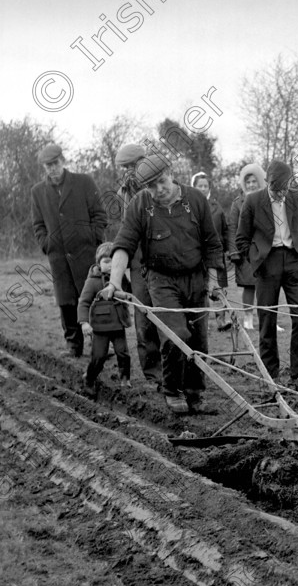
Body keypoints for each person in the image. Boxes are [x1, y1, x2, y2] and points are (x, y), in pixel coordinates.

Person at [99, 155, 224, 415]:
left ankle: (194, 392)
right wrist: (113, 283)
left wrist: (213, 282)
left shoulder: (196, 200)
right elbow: (124, 245)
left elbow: (212, 244)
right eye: (151, 186)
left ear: (171, 173)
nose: (158, 190)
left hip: (195, 277)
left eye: (162, 182)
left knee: (199, 340)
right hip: (160, 279)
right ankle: (172, 390)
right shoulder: (140, 204)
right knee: (176, 335)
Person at [235, 160, 298, 393]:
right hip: (267, 263)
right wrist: (256, 258)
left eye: (284, 189)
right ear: (268, 183)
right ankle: (270, 377)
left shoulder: (297, 198)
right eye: (276, 189)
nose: (281, 194)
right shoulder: (253, 201)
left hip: (293, 263)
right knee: (267, 321)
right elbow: (241, 239)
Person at [31, 143, 107, 357]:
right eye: (48, 165)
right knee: (66, 302)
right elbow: (38, 225)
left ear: (63, 161)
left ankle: (99, 347)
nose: (52, 168)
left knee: (93, 297)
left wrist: (93, 239)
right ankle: (73, 346)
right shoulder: (37, 192)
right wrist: (47, 244)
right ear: (44, 167)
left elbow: (100, 216)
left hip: (86, 254)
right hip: (59, 257)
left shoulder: (83, 182)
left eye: (55, 163)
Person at [115, 143, 162, 387]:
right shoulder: (125, 191)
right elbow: (126, 227)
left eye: (132, 166)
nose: (128, 172)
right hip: (138, 259)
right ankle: (153, 373)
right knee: (143, 315)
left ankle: (175, 368)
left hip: (162, 257)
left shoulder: (159, 185)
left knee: (166, 314)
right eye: (125, 168)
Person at [78, 242, 132, 395]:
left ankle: (125, 379)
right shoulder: (92, 281)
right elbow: (83, 303)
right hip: (100, 328)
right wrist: (84, 323)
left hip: (118, 324)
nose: (110, 265)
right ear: (98, 263)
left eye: (113, 262)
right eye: (106, 262)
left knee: (123, 353)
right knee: (99, 356)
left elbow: (130, 293)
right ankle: (89, 378)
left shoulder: (121, 279)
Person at [191, 171, 234, 332]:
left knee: (219, 289)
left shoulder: (217, 207)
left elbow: (225, 230)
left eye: (205, 186)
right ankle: (200, 323)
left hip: (216, 254)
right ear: (194, 187)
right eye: (199, 186)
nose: (203, 189)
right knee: (200, 290)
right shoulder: (189, 206)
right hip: (197, 255)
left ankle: (221, 321)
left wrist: (229, 250)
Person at [227, 163, 266, 331]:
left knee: (267, 286)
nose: (251, 185)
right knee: (249, 286)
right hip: (245, 252)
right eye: (248, 182)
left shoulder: (267, 200)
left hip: (265, 250)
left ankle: (269, 319)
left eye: (254, 181)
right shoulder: (237, 204)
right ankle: (248, 319)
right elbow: (232, 228)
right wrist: (235, 251)